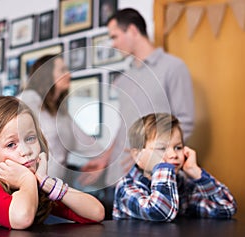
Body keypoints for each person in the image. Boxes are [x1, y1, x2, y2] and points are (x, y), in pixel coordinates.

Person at [79, 8, 195, 188]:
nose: (113, 44)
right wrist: (105, 158)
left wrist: (155, 158)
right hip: (117, 177)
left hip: (153, 178)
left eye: (115, 36)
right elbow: (123, 125)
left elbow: (185, 122)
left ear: (132, 30)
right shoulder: (124, 78)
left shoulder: (173, 68)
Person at [0, 96, 105, 229]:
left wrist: (47, 183)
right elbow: (22, 218)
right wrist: (26, 180)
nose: (26, 151)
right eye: (11, 144)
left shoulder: (36, 182)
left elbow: (96, 213)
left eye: (30, 138)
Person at [113, 113, 237, 221]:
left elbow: (226, 207)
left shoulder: (182, 184)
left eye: (178, 147)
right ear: (137, 155)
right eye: (162, 148)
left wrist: (196, 172)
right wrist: (163, 168)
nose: (173, 155)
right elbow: (160, 212)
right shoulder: (126, 187)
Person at [18, 54, 104, 180]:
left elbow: (90, 145)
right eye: (63, 70)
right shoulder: (29, 100)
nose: (69, 75)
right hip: (32, 185)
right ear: (45, 74)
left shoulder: (62, 115)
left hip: (55, 188)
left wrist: (105, 159)